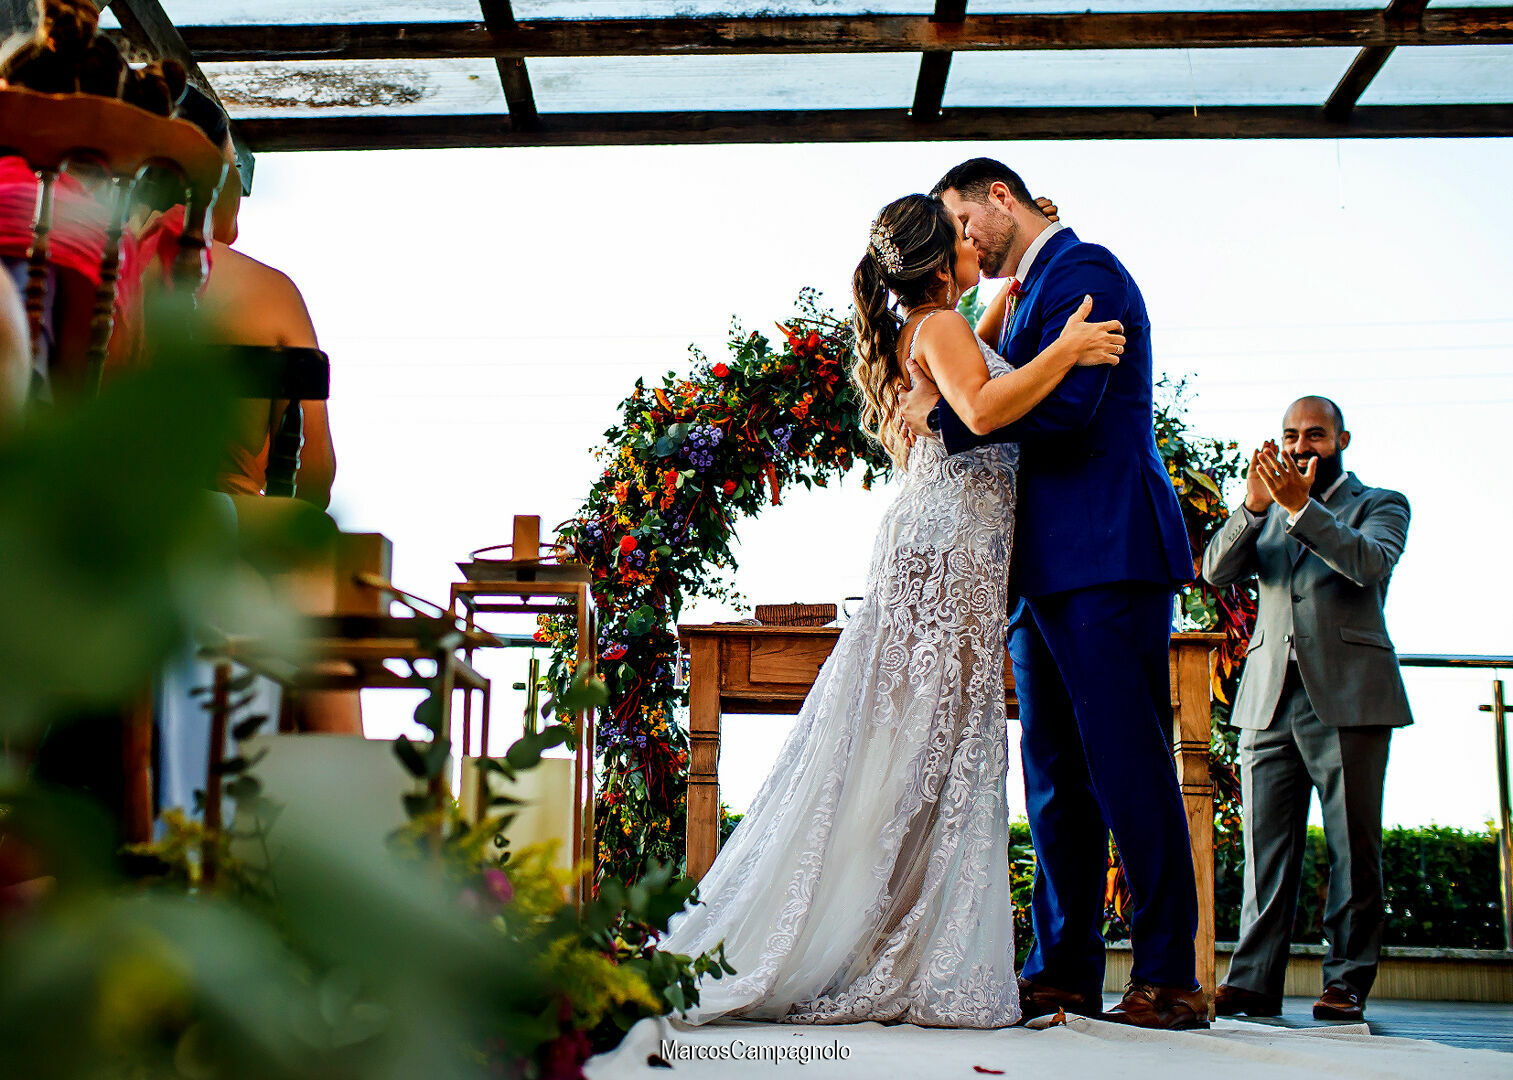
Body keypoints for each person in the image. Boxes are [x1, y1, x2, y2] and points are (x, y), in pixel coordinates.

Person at [656, 194, 1122, 1028]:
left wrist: (1000, 310)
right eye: (963, 235)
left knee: (915, 746)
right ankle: (873, 942)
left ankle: (874, 937)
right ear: (942, 258)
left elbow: (965, 365)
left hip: (947, 553)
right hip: (946, 560)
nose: (977, 238)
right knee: (922, 748)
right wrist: (1066, 348)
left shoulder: (937, 322)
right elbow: (980, 410)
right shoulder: (941, 327)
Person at [898, 158, 1202, 1030]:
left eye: (962, 220)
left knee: (1128, 763)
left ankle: (1169, 975)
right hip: (1036, 570)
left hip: (1105, 552)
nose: (960, 241)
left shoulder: (1087, 270)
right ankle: (1063, 968)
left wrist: (958, 413)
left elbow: (1068, 410)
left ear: (1000, 198)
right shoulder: (1019, 299)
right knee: (1056, 779)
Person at [1202, 397, 1411, 1023]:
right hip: (1267, 698)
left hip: (1349, 695)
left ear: (1342, 437)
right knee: (1264, 850)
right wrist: (1255, 507)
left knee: (1353, 845)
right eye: (1291, 434)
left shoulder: (1381, 503)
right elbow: (1215, 572)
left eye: (1315, 435)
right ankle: (1253, 981)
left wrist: (1299, 507)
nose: (1300, 446)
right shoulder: (1268, 505)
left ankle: (1346, 981)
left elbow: (1368, 564)